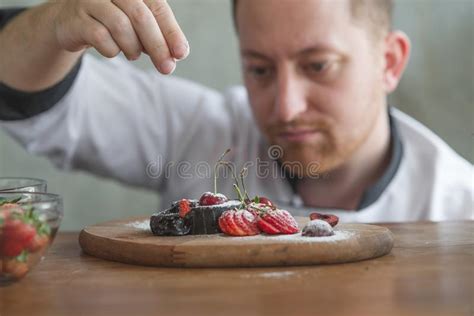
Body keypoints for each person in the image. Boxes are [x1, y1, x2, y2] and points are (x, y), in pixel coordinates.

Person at [0, 0, 472, 222]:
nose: (286, 107)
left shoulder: (460, 208)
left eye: (318, 66)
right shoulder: (200, 132)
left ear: (389, 62)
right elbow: (30, 97)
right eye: (260, 70)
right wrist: (52, 24)